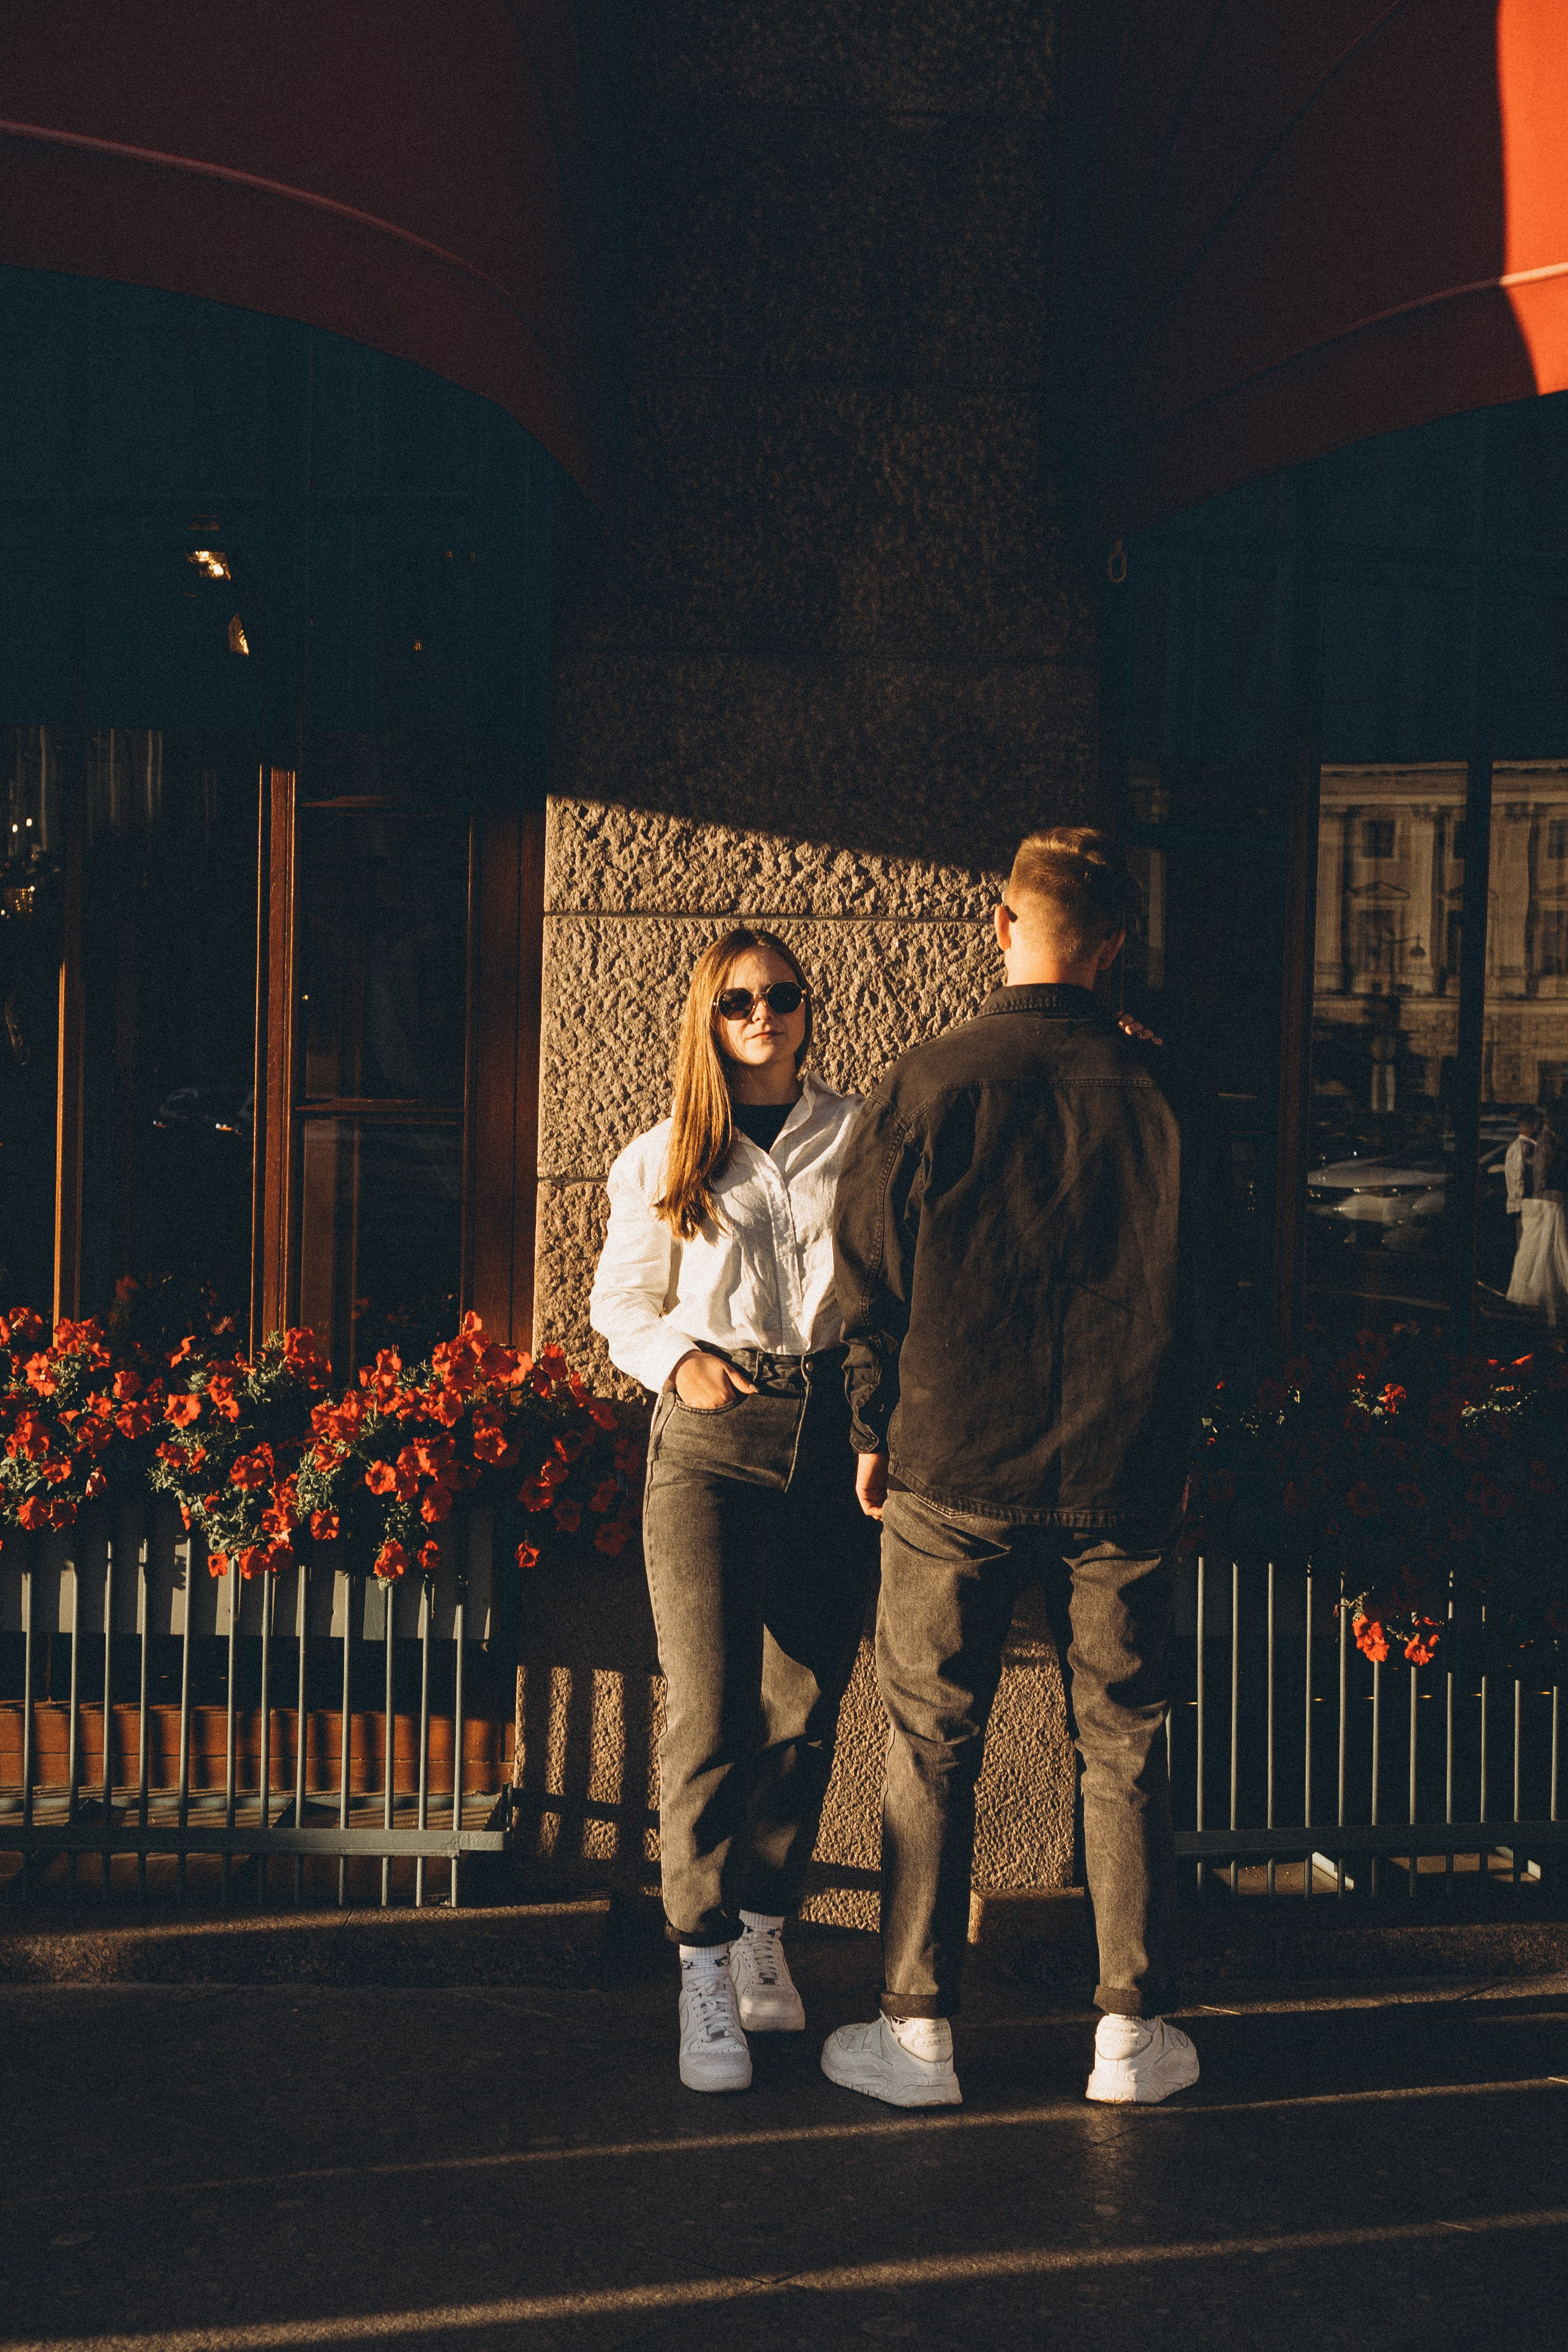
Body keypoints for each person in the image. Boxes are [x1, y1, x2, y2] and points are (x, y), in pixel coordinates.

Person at [822, 826, 1234, 2111]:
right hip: (1120, 1473)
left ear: (1001, 926)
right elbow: (1223, 1299)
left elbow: (865, 1282)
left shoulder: (931, 1078)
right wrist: (1179, 1453)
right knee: (1119, 1743)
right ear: (1114, 947)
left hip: (950, 1464)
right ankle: (1126, 2034)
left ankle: (916, 2030)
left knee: (929, 1741)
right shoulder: (1166, 1094)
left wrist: (870, 1427)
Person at [589, 928, 871, 2094]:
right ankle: (700, 1962)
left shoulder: (858, 1136)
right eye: (739, 1000)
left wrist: (879, 1425)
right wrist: (677, 1362)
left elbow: (886, 1290)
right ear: (708, 1019)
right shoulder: (662, 1154)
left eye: (782, 996)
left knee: (802, 1704)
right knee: (707, 1711)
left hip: (830, 1438)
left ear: (808, 1013)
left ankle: (763, 1925)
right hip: (710, 1442)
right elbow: (620, 1302)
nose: (762, 1014)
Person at [1508, 1109, 1568, 1325]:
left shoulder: (1547, 1141)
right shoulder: (1549, 1141)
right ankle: (1539, 1293)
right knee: (1545, 1247)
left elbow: (1540, 1173)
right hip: (1550, 1200)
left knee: (1538, 1247)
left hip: (1544, 1200)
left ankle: (1535, 1294)